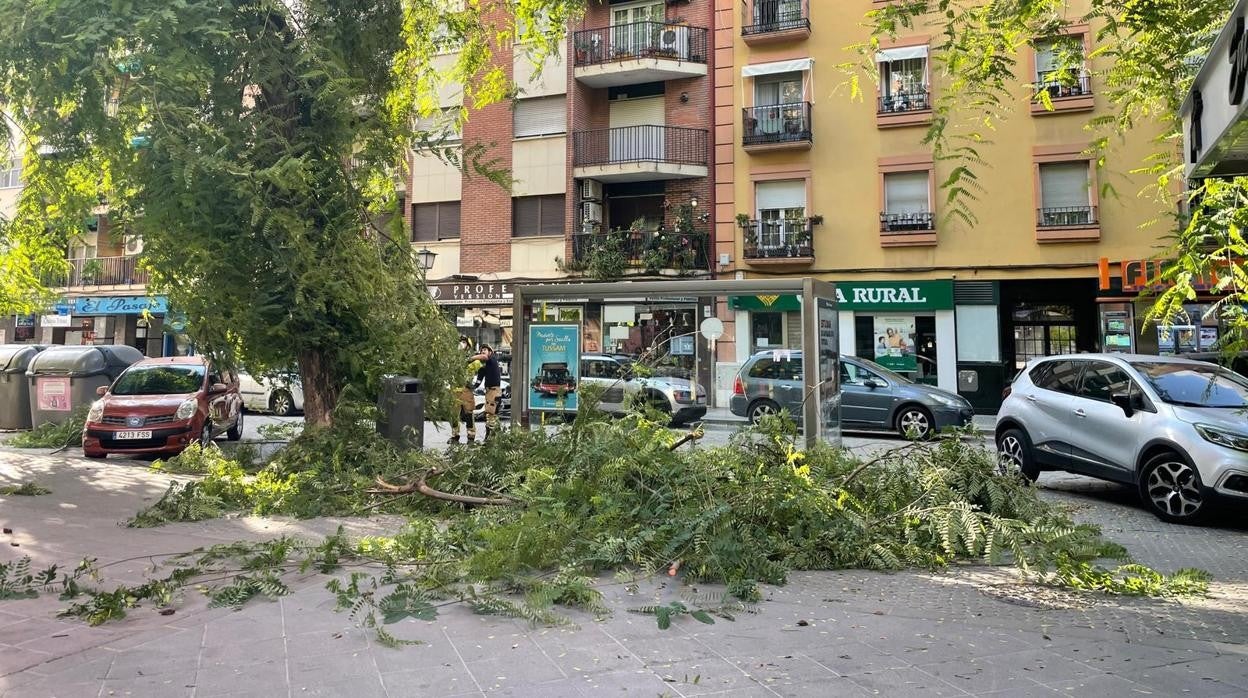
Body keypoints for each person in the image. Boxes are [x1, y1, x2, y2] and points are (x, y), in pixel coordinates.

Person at [449, 336, 481, 445]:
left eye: (464, 342)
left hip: (466, 389)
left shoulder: (473, 359)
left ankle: (471, 437)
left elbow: (479, 366)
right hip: (454, 389)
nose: (461, 344)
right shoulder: (453, 358)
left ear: (468, 346)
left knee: (468, 414)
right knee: (453, 415)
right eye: (460, 342)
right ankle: (454, 436)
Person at [469, 343, 503, 440]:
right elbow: (479, 380)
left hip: (494, 390)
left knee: (490, 414)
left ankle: (491, 437)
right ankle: (495, 436)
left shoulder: (492, 359)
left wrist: (470, 359)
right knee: (491, 414)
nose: (483, 351)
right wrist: (472, 387)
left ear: (490, 352)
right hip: (488, 392)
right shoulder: (483, 367)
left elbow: (484, 356)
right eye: (481, 350)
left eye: (485, 349)